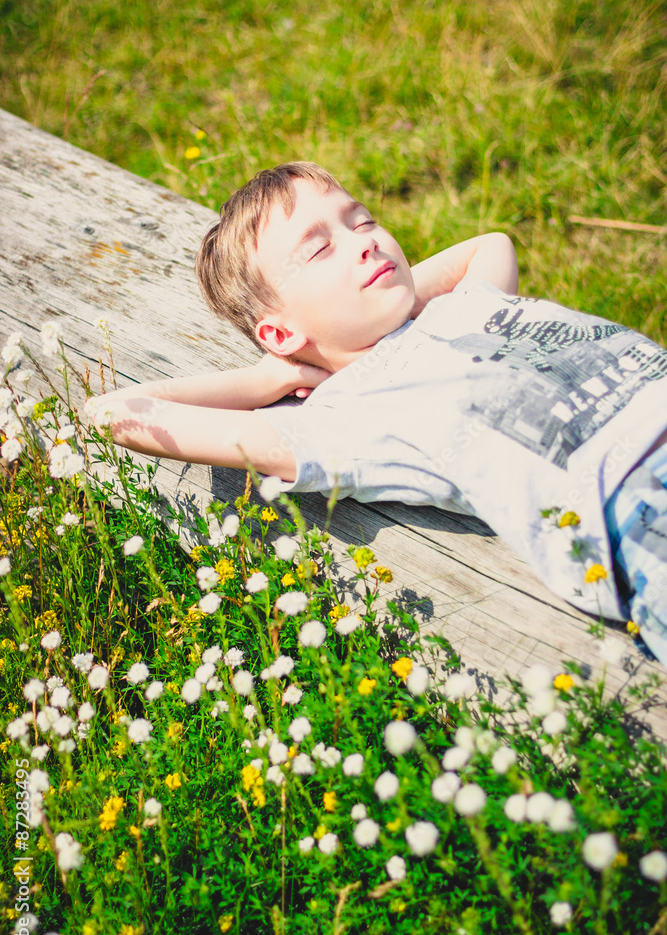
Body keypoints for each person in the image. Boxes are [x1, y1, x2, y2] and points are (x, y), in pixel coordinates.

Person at [91, 162, 667, 664]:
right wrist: (271, 375)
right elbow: (113, 413)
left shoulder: (465, 303)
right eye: (318, 249)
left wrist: (404, 302)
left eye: (362, 221)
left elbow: (490, 244)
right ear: (280, 332)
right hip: (634, 500)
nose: (363, 242)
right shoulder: (343, 417)